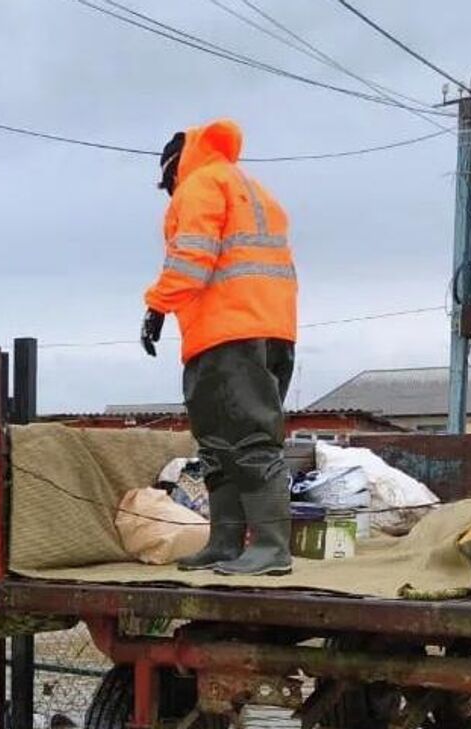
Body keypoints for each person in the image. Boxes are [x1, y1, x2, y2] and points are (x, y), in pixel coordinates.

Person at [139, 119, 299, 576]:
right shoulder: (252, 189)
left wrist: (156, 307)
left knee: (247, 438)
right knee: (221, 444)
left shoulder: (200, 185)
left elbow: (191, 257)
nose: (168, 192)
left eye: (165, 182)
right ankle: (225, 543)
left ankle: (270, 547)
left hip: (228, 335)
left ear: (174, 167)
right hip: (269, 331)